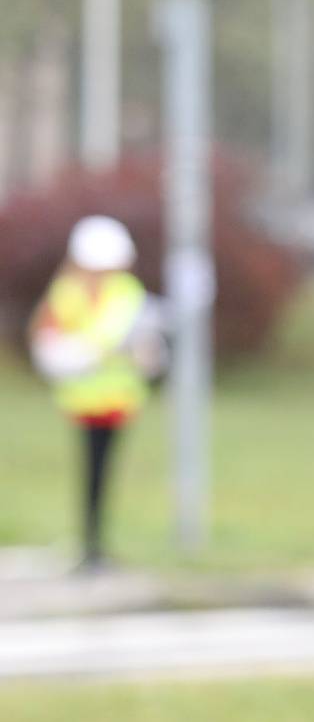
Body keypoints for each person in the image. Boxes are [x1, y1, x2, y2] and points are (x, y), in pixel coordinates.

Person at [28, 216, 162, 570]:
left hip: (117, 400)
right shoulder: (68, 292)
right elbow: (48, 341)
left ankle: (95, 542)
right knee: (93, 472)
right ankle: (91, 543)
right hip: (83, 400)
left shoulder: (126, 294)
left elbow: (146, 350)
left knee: (104, 472)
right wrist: (81, 354)